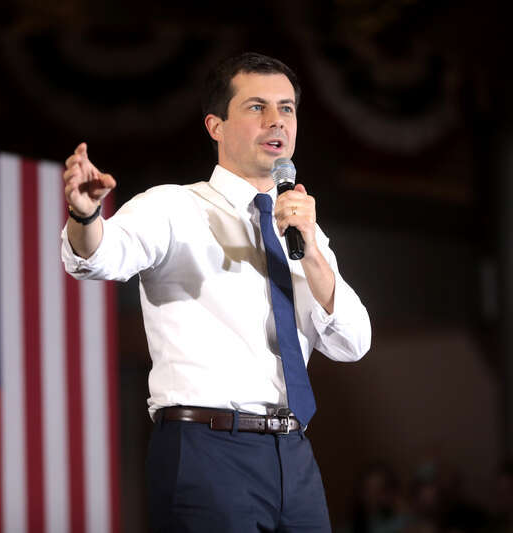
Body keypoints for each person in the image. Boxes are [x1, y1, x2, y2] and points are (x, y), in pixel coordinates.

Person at [61, 52, 371, 532]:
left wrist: (311, 252)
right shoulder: (173, 207)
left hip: (294, 453)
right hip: (207, 448)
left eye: (287, 108)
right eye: (256, 107)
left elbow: (352, 343)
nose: (276, 121)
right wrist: (85, 216)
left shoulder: (301, 227)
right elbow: (98, 257)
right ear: (216, 126)